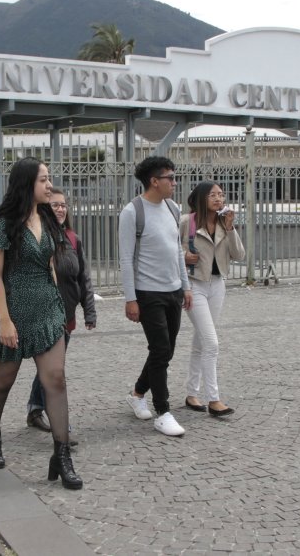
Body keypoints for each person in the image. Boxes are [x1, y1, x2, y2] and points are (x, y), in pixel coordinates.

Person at [0, 157, 81, 490]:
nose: (49, 186)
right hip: (12, 309)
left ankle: (61, 456)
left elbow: (50, 264)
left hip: (47, 308)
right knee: (3, 381)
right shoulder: (4, 222)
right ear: (26, 184)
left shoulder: (47, 217)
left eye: (49, 179)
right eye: (43, 180)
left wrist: (61, 306)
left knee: (56, 380)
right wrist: (4, 320)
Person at [118, 156, 192, 437]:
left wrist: (185, 286)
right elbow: (125, 259)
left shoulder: (173, 208)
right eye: (170, 178)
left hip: (173, 289)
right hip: (148, 293)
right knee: (161, 350)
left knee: (166, 350)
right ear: (154, 181)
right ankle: (163, 412)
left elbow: (176, 250)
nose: (174, 183)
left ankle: (137, 393)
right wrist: (130, 298)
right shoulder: (132, 212)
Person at [26, 187, 96, 435]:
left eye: (64, 205)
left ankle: (35, 408)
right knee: (54, 371)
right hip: (44, 313)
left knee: (51, 369)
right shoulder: (37, 236)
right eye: (55, 204)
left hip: (67, 313)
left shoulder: (73, 238)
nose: (60, 209)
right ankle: (59, 427)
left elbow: (83, 276)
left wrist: (89, 311)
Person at [180, 181, 244, 417]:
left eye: (221, 195)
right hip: (194, 286)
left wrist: (230, 228)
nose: (219, 199)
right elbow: (171, 250)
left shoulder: (223, 224)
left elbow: (239, 254)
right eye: (213, 195)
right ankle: (214, 399)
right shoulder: (187, 222)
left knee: (201, 341)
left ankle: (191, 393)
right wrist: (184, 256)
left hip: (217, 285)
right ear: (201, 198)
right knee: (212, 343)